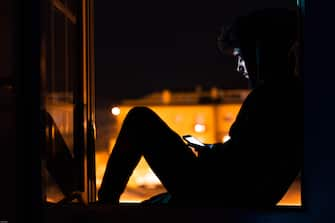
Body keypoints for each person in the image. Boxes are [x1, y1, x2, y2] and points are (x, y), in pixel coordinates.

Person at [98, 8, 303, 207]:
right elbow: (247, 158)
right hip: (228, 193)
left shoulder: (269, 97)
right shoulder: (287, 95)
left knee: (139, 119)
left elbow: (240, 167)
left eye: (241, 56)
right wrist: (212, 150)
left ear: (260, 55)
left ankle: (104, 206)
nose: (239, 66)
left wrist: (210, 154)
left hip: (217, 192)